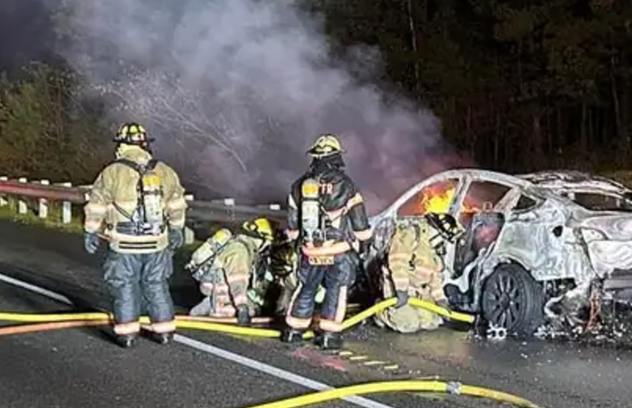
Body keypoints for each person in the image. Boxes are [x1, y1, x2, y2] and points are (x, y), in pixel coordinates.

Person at [82, 122, 188, 347]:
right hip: (157, 242)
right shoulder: (164, 171)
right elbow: (177, 204)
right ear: (145, 145)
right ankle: (165, 332)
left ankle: (128, 334)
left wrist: (91, 230)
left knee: (125, 285)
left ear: (121, 145)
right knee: (156, 283)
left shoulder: (112, 172)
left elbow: (96, 205)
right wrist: (177, 229)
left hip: (124, 244)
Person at [281, 134, 372, 349]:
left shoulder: (299, 185)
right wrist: (364, 242)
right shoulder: (346, 185)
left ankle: (294, 330)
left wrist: (299, 242)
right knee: (336, 290)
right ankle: (329, 335)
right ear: (337, 157)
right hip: (338, 250)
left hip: (311, 250)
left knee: (306, 287)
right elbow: (359, 220)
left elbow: (293, 223)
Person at [186, 217, 276, 325]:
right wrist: (242, 307)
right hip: (220, 290)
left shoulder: (239, 244)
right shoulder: (240, 251)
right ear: (261, 239)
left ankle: (200, 312)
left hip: (215, 288)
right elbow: (237, 282)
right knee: (251, 311)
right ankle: (217, 312)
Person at [373, 214, 449, 333]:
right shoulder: (411, 235)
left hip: (417, 294)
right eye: (443, 238)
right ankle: (381, 312)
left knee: (431, 322)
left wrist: (440, 299)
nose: (444, 243)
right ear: (437, 231)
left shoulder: (431, 248)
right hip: (397, 291)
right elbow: (398, 262)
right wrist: (401, 290)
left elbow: (435, 276)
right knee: (409, 325)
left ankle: (409, 311)